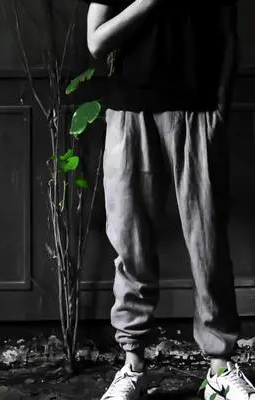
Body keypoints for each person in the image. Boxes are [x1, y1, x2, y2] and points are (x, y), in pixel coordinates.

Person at [85, 0, 255, 399]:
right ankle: (133, 366)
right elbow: (96, 42)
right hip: (130, 112)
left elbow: (229, 37)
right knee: (130, 243)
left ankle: (219, 368)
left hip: (198, 111)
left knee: (208, 245)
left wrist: (221, 108)